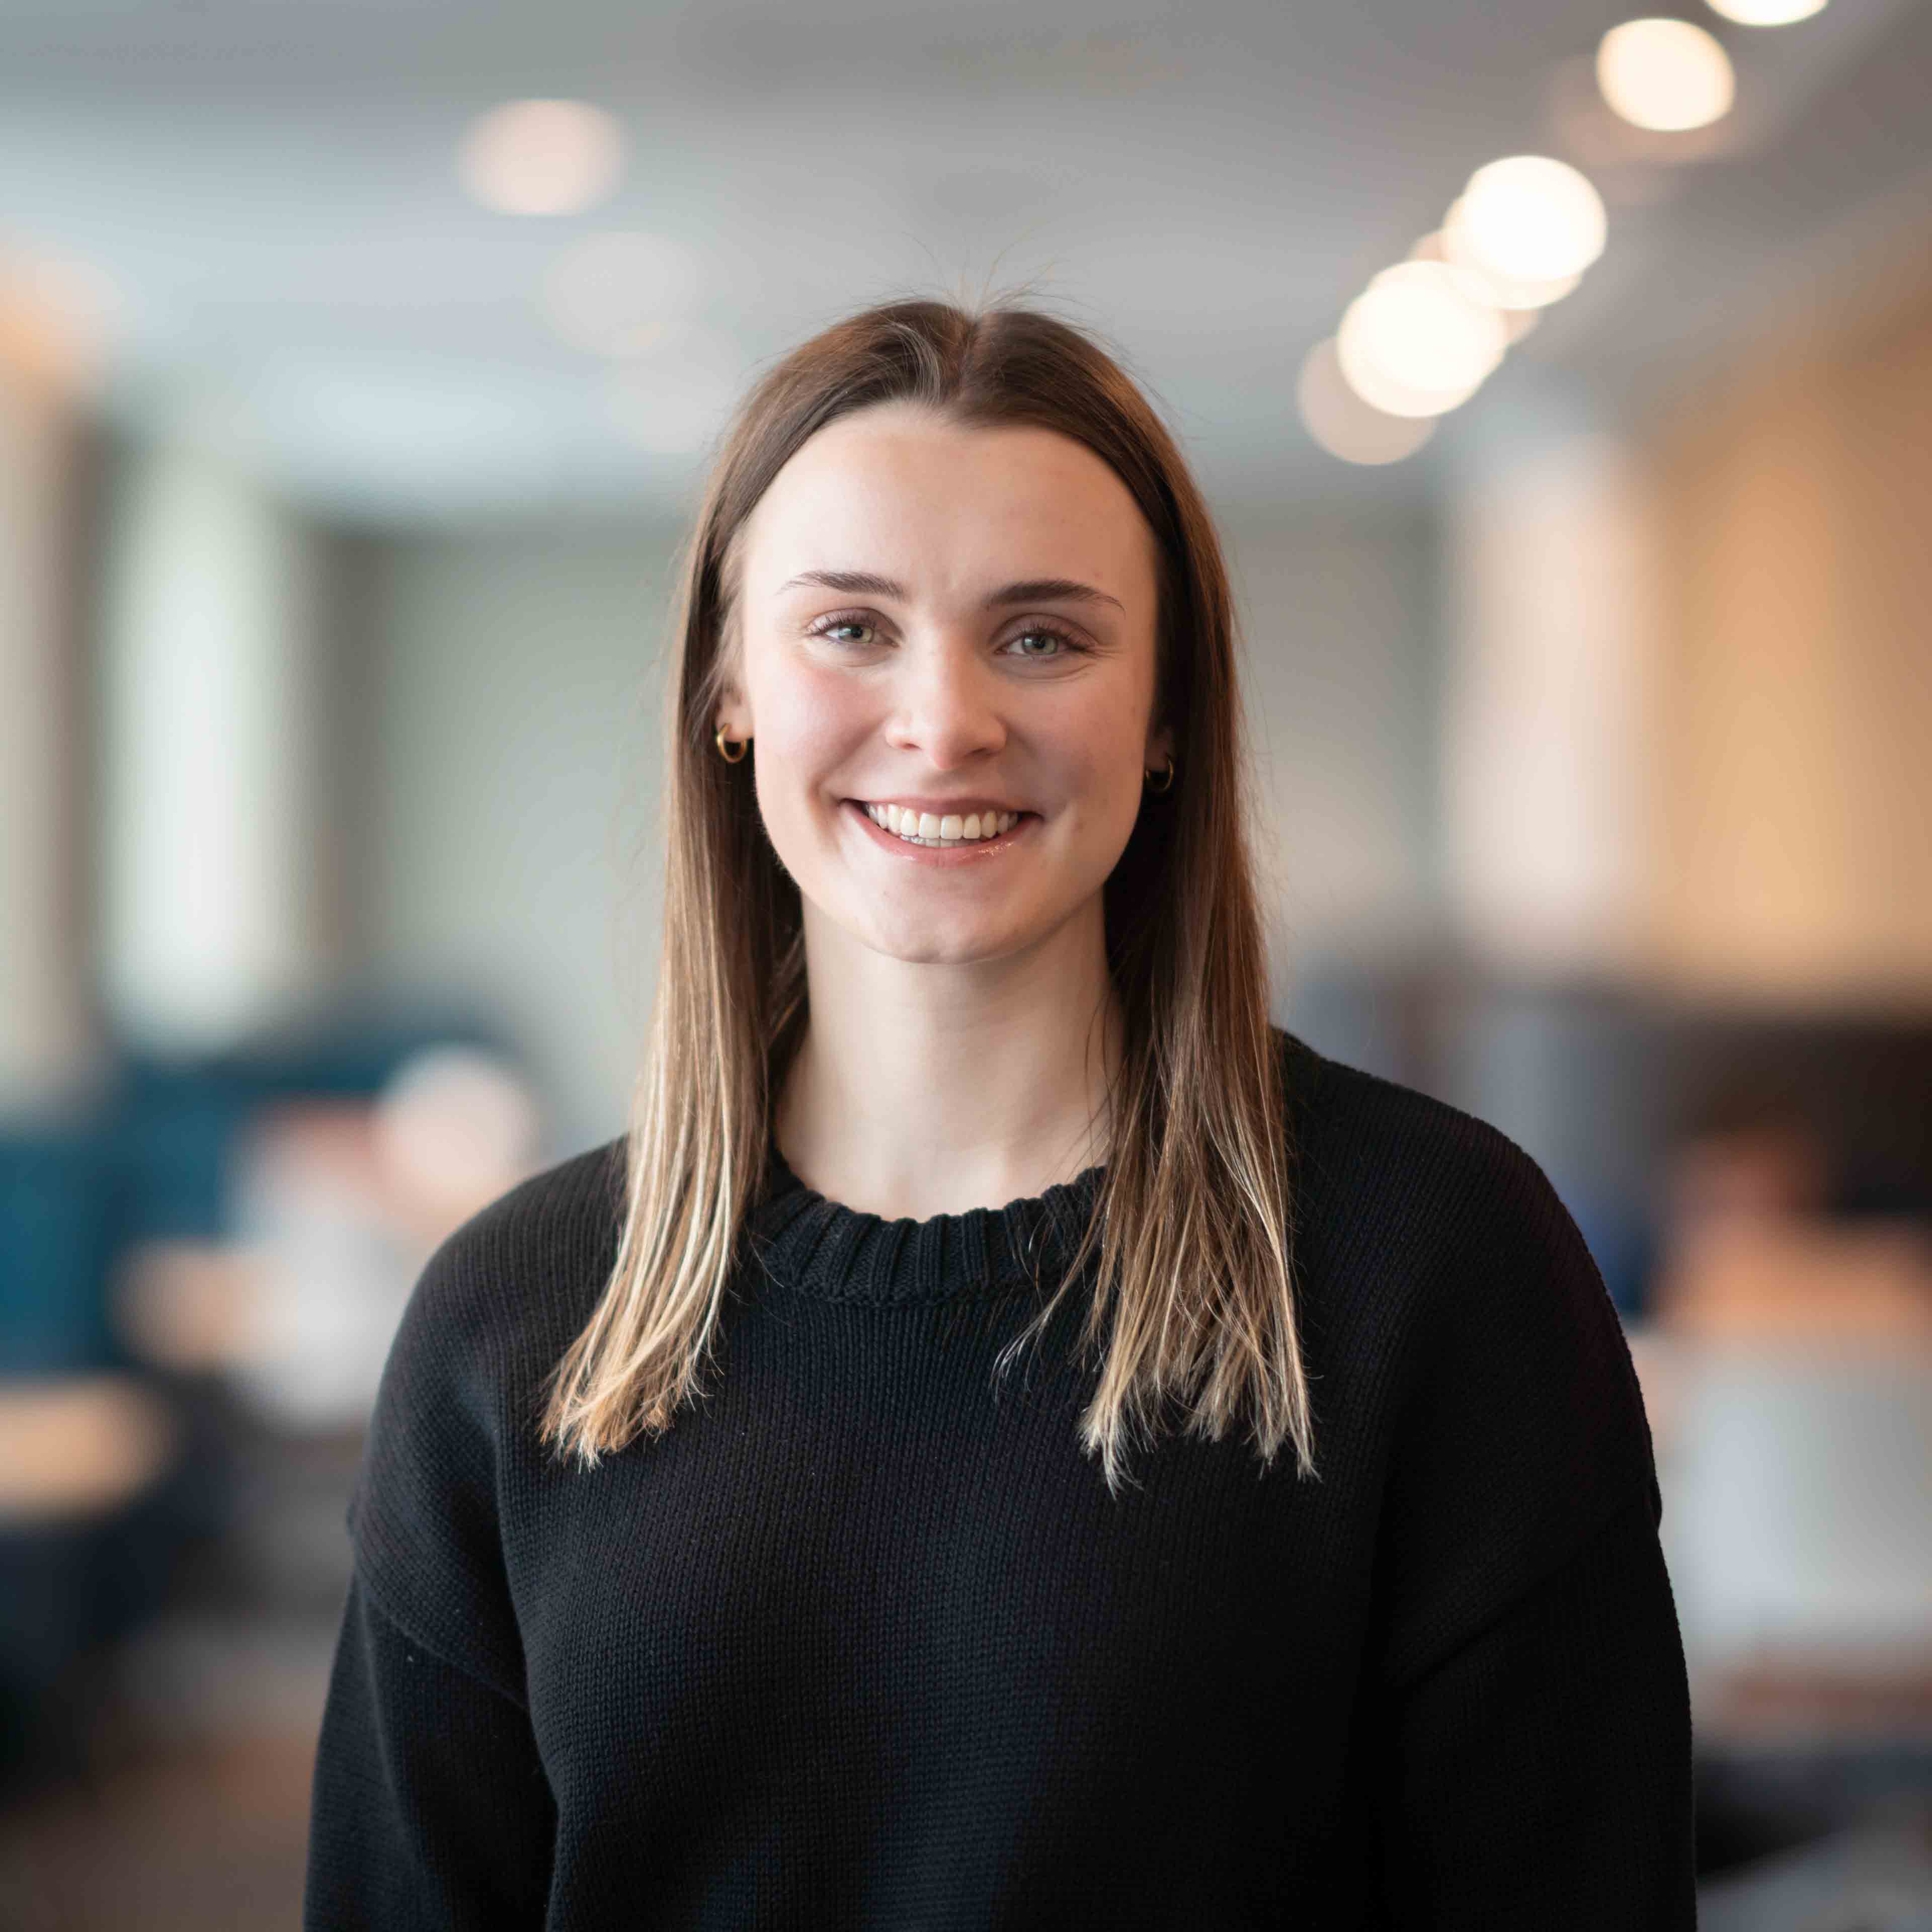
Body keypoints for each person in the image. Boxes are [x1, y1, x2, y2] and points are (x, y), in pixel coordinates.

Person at [303, 297, 1696, 1928]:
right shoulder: (512, 1319)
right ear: (728, 690)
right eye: (849, 629)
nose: (947, 719)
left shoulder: (1433, 1265)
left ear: (1168, 715)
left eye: (1044, 635)